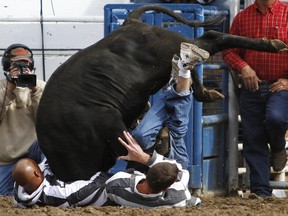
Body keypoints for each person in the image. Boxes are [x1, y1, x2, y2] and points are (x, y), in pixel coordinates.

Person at [222, 0, 288, 197]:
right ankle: (261, 191)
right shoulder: (243, 17)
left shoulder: (287, 13)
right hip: (253, 87)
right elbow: (229, 49)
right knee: (253, 138)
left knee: (276, 118)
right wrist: (243, 67)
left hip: (281, 85)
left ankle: (278, 146)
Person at [131, 42, 209, 171]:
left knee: (141, 136)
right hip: (174, 152)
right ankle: (183, 68)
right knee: (178, 123)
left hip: (148, 158)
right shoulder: (178, 180)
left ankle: (180, 72)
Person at [0, 44, 46, 196]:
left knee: (50, 141)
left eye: (25, 65)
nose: (21, 70)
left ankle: (53, 184)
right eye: (16, 65)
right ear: (7, 67)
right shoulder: (2, 87)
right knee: (5, 196)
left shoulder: (39, 86)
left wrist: (34, 91)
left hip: (34, 150)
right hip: (8, 158)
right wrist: (9, 90)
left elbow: (46, 121)